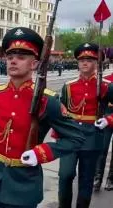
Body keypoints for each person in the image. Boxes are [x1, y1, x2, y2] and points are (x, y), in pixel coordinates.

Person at [0, 27, 85, 208]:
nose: (13, 61)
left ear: (34, 64)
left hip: (23, 184)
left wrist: (41, 153)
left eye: (21, 57)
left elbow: (76, 137)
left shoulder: (47, 100)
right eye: (10, 57)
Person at [57, 42, 113, 207]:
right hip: (70, 136)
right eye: (82, 60)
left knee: (86, 179)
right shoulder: (68, 87)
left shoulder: (106, 87)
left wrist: (108, 120)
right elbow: (62, 112)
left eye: (89, 59)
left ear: (96, 63)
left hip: (92, 136)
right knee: (65, 175)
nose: (85, 63)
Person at [93, 69, 113, 192]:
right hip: (106, 117)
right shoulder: (106, 79)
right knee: (102, 149)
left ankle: (111, 179)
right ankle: (97, 177)